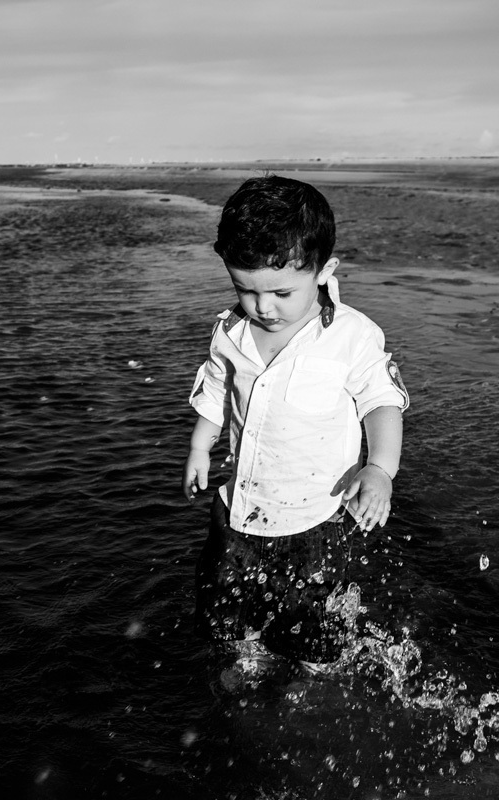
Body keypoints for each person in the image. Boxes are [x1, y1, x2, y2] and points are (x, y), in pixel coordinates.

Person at [183, 175, 409, 678]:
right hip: (240, 511)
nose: (263, 308)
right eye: (246, 290)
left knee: (315, 632)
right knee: (227, 620)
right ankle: (242, 670)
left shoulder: (350, 337)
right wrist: (201, 446)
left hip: (317, 520)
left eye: (282, 292)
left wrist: (380, 470)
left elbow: (381, 403)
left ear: (324, 271)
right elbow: (217, 390)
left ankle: (312, 689)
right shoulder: (230, 333)